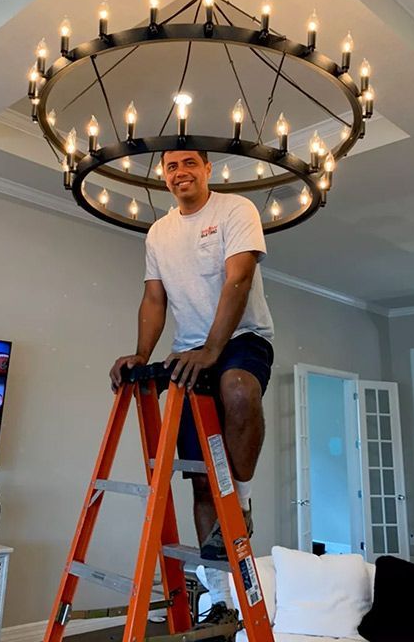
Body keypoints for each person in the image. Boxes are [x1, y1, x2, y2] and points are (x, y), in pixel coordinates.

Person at [110, 149, 274, 623]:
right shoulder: (159, 233)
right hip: (188, 351)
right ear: (164, 177)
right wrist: (141, 355)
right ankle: (218, 600)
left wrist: (212, 349)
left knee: (240, 389)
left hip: (243, 338)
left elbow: (238, 279)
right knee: (201, 477)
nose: (179, 172)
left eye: (188, 164)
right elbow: (154, 297)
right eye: (171, 167)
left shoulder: (235, 210)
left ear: (207, 169)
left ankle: (240, 504)